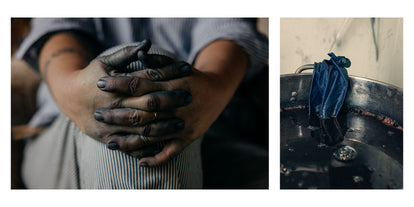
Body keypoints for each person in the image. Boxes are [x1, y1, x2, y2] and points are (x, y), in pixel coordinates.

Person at [15, 18, 268, 189]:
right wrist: (73, 89)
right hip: (66, 133)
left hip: (212, 131)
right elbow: (58, 26)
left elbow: (228, 26)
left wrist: (213, 86)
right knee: (127, 91)